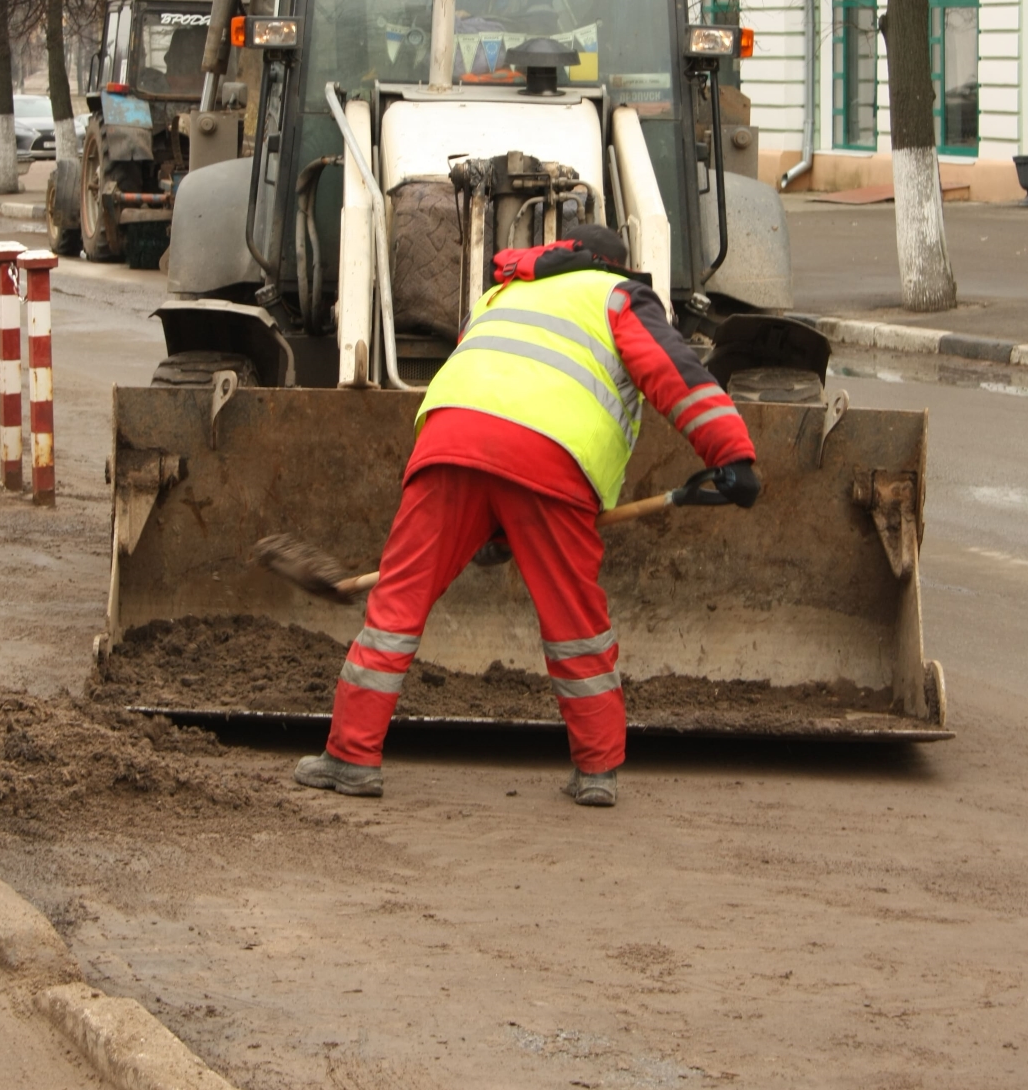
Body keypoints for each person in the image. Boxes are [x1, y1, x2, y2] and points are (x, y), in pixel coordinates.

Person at [295, 224, 760, 808]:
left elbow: (490, 380)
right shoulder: (616, 295)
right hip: (550, 457)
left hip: (448, 442)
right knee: (573, 619)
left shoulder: (498, 295)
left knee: (396, 606)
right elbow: (676, 375)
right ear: (614, 264)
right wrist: (732, 454)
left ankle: (350, 757)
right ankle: (596, 770)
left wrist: (492, 522)